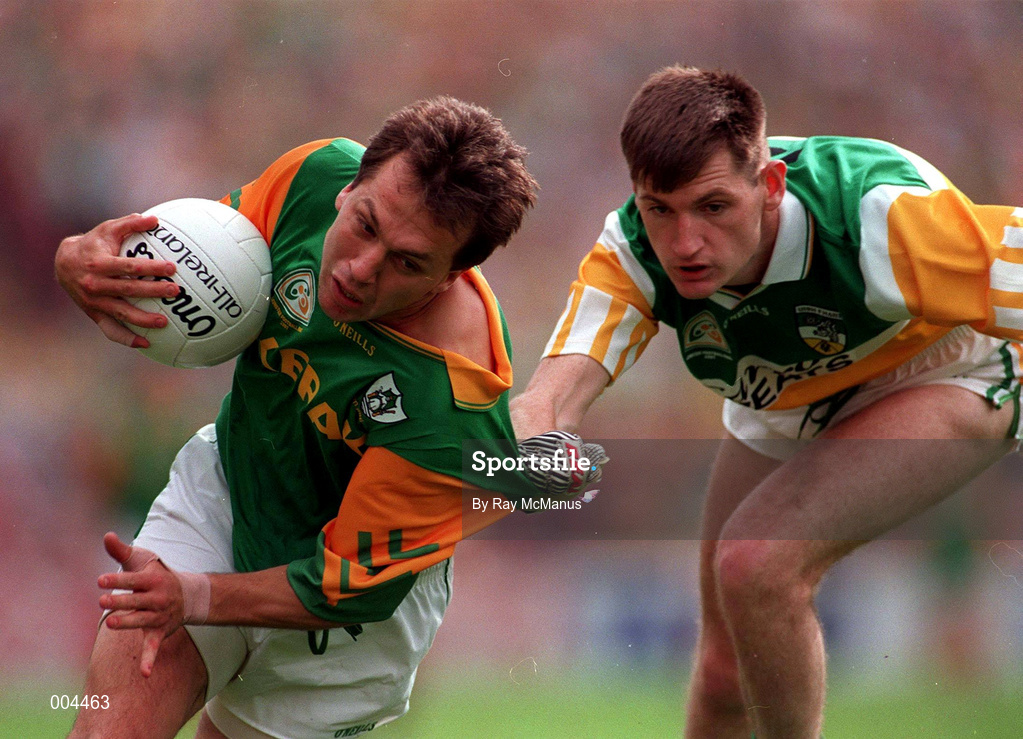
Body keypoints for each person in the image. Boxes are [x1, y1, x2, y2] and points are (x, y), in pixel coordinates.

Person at [56, 96, 601, 739]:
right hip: (231, 493)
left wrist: (192, 596)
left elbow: (340, 588)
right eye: (365, 225)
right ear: (349, 188)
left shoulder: (447, 398)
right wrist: (80, 262)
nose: (359, 269)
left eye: (408, 262)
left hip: (349, 626)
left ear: (453, 275)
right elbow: (210, 262)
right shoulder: (308, 177)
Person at [510, 65, 1023, 739]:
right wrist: (529, 444)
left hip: (941, 372)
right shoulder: (632, 249)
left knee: (756, 564)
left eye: (713, 207)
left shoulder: (877, 215)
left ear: (769, 185)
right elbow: (549, 396)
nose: (684, 243)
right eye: (659, 208)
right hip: (785, 400)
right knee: (724, 671)